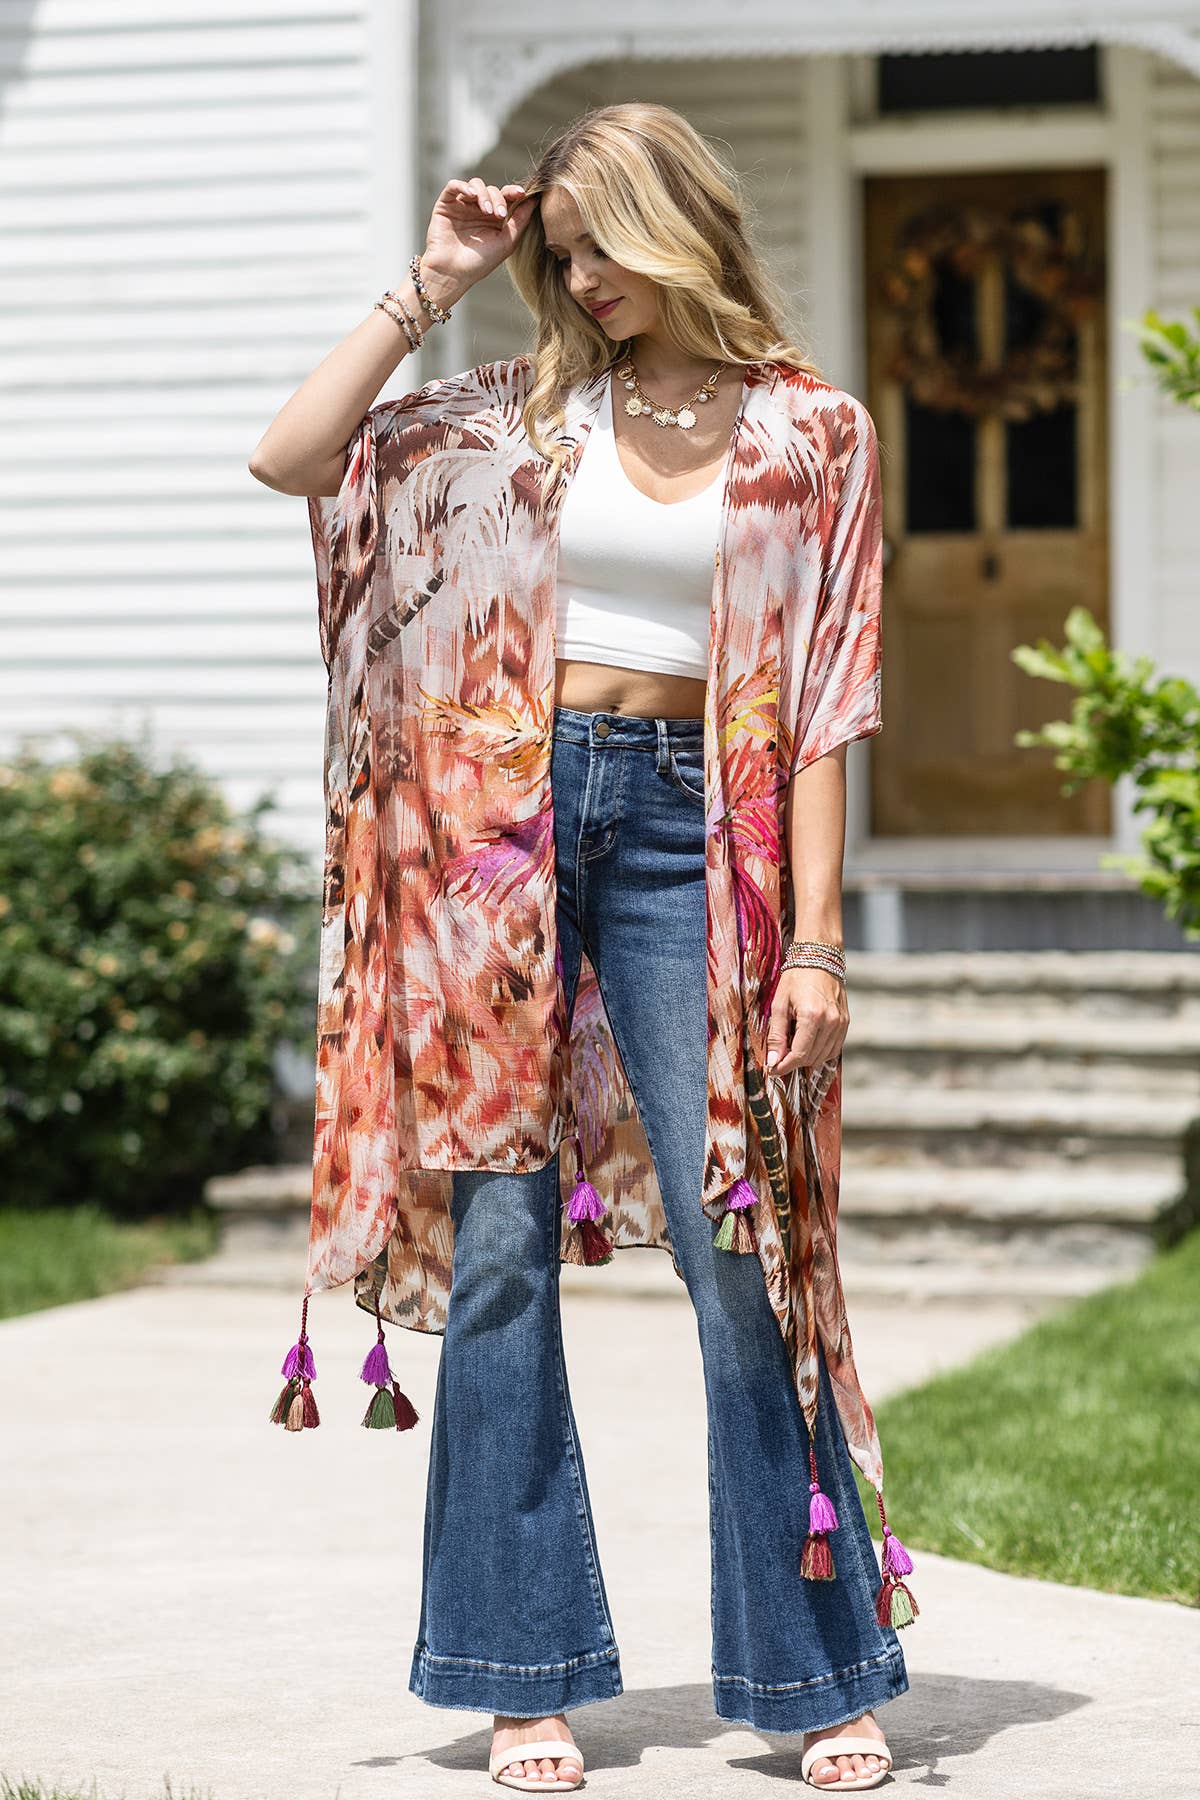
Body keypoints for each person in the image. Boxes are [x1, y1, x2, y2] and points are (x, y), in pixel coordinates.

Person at [250, 102, 911, 1794]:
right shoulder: (526, 412)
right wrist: (435, 276)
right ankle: (518, 1672)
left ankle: (816, 1667)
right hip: (502, 827)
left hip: (702, 830)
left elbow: (826, 701)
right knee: (500, 1253)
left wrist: (819, 948)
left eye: (602, 244)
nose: (585, 280)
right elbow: (297, 456)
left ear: (680, 220)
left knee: (741, 1245)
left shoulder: (813, 431)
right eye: (562, 256)